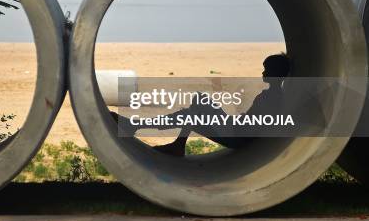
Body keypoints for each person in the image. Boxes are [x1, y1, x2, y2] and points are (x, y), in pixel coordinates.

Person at [112, 53, 291, 156]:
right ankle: (171, 142)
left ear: (277, 74)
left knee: (191, 113)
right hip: (235, 128)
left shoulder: (272, 98)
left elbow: (255, 127)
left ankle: (137, 126)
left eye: (267, 69)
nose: (263, 71)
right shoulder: (273, 95)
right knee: (199, 100)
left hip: (236, 136)